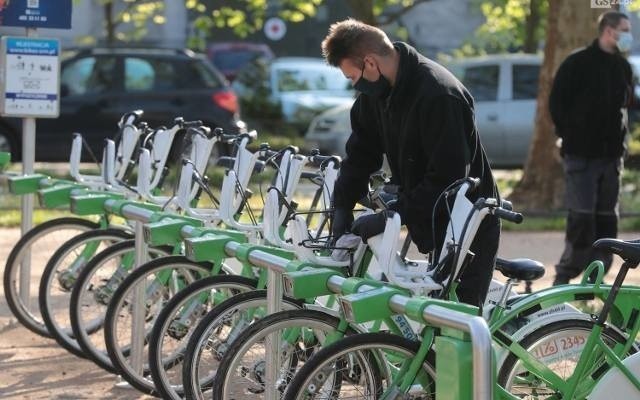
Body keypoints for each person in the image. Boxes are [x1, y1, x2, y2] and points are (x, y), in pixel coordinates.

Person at [322, 19, 500, 307]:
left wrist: (393, 215)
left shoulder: (439, 94)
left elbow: (449, 179)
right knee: (429, 311)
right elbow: (361, 153)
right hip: (431, 212)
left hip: (469, 218)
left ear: (370, 63)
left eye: (352, 77)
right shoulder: (376, 96)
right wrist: (341, 205)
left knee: (459, 321)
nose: (354, 85)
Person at [549, 11, 634, 285]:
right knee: (581, 219)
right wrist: (569, 137)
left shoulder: (623, 67)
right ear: (609, 30)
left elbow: (627, 106)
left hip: (611, 159)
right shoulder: (577, 63)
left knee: (607, 221)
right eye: (625, 30)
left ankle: (594, 278)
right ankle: (564, 278)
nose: (628, 35)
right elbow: (556, 104)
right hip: (581, 158)